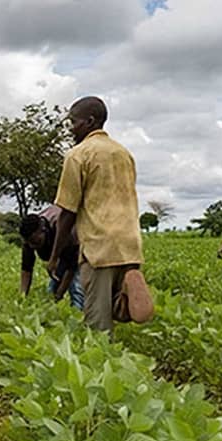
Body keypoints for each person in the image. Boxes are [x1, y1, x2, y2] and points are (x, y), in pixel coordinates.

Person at [49, 96, 153, 332]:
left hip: (100, 248)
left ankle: (104, 349)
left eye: (73, 122)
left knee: (98, 324)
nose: (70, 129)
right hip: (130, 246)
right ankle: (124, 295)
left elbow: (67, 212)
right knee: (118, 307)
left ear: (89, 121)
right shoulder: (124, 153)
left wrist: (54, 257)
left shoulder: (78, 154)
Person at [19, 205, 83, 309]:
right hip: (60, 255)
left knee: (76, 289)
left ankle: (78, 314)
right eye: (29, 243)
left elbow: (72, 267)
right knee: (51, 292)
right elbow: (26, 269)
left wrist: (59, 294)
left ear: (43, 230)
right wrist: (22, 298)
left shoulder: (64, 230)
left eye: (36, 242)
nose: (32, 246)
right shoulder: (29, 238)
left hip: (79, 247)